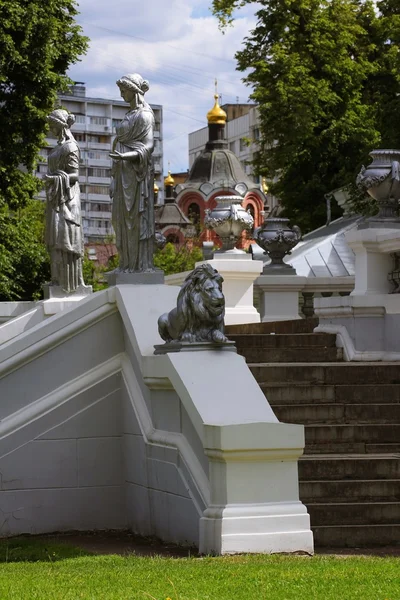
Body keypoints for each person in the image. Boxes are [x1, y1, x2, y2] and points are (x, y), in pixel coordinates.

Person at [110, 73, 155, 272]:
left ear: (134, 91)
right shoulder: (129, 115)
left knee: (134, 219)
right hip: (122, 175)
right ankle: (125, 263)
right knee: (120, 219)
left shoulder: (144, 115)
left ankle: (137, 265)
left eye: (124, 90)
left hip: (136, 174)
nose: (121, 95)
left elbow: (149, 146)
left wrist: (124, 157)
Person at [45, 109, 85, 293]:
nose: (51, 129)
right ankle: (57, 279)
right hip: (56, 198)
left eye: (53, 125)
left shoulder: (71, 146)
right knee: (55, 237)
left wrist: (55, 179)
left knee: (66, 238)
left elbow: (75, 175)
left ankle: (69, 283)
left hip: (67, 198)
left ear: (61, 125)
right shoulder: (58, 147)